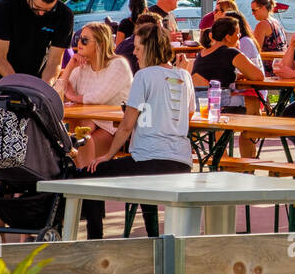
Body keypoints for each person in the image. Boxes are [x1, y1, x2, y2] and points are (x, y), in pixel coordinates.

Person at [81, 23, 194, 239]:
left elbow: (125, 126)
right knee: (143, 180)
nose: (134, 53)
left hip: (149, 160)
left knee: (88, 176)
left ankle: (94, 242)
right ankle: (153, 239)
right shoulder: (184, 76)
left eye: (138, 48)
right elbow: (186, 117)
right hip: (181, 160)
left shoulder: (143, 76)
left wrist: (107, 155)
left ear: (149, 49)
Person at [59, 22, 133, 169]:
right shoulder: (81, 66)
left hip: (114, 128)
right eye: (78, 38)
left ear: (100, 43)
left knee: (79, 134)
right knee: (81, 130)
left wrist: (72, 97)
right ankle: (82, 179)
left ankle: (80, 179)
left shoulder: (118, 64)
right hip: (87, 126)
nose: (79, 43)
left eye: (84, 40)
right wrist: (69, 67)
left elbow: (98, 97)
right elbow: (56, 94)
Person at [192, 17, 265, 156]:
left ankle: (224, 157)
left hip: (198, 104)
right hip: (217, 104)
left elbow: (215, 72)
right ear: (228, 37)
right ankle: (247, 160)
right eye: (237, 33)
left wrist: (236, 75)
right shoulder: (230, 53)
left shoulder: (202, 53)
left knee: (246, 105)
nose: (239, 36)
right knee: (254, 103)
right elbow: (258, 76)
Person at [0, 0, 73, 85]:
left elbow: (54, 62)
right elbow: (0, 57)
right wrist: (20, 86)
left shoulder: (64, 15)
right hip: (4, 82)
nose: (42, 13)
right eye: (36, 7)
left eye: (48, 10)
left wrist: (44, 87)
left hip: (37, 80)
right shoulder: (6, 6)